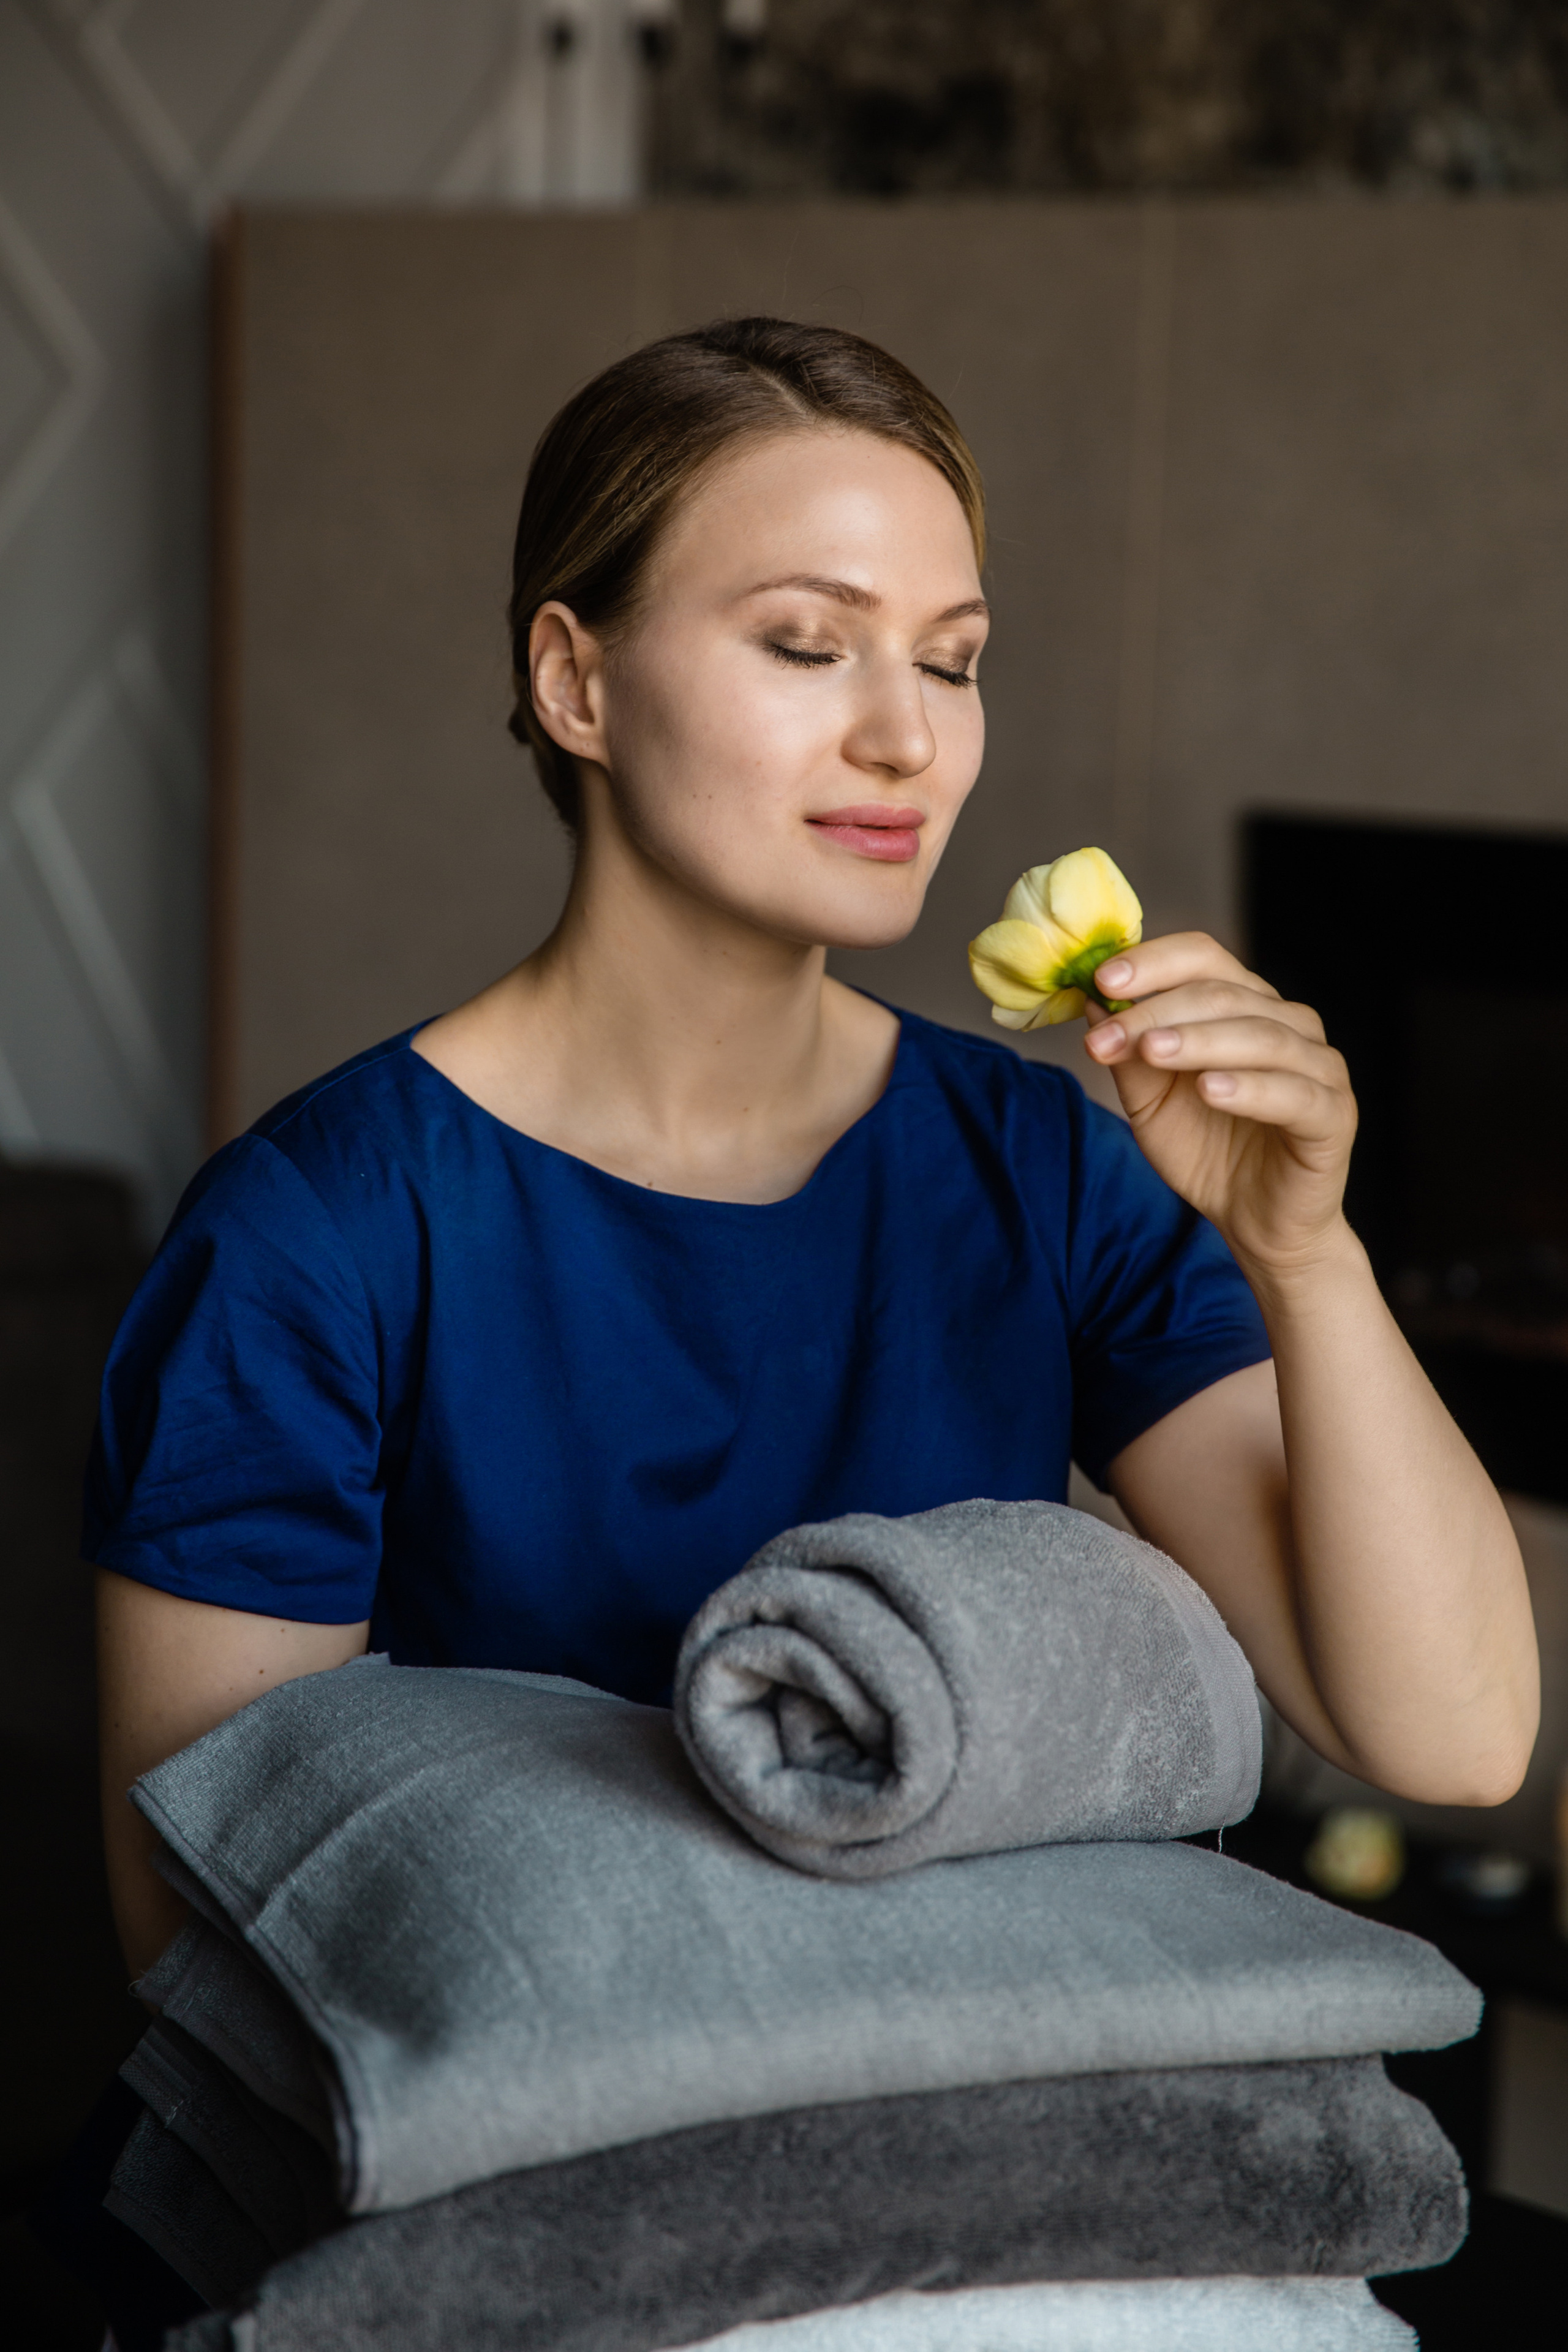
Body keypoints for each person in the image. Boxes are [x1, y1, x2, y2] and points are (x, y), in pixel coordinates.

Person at [93, 315, 1537, 1997]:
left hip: (955, 2105)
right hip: (502, 2156)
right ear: (576, 682)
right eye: (805, 643)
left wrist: (1308, 1253)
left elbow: (1456, 1733)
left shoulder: (1042, 1170)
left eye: (952, 658)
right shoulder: (315, 1236)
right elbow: (204, 1939)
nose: (909, 742)